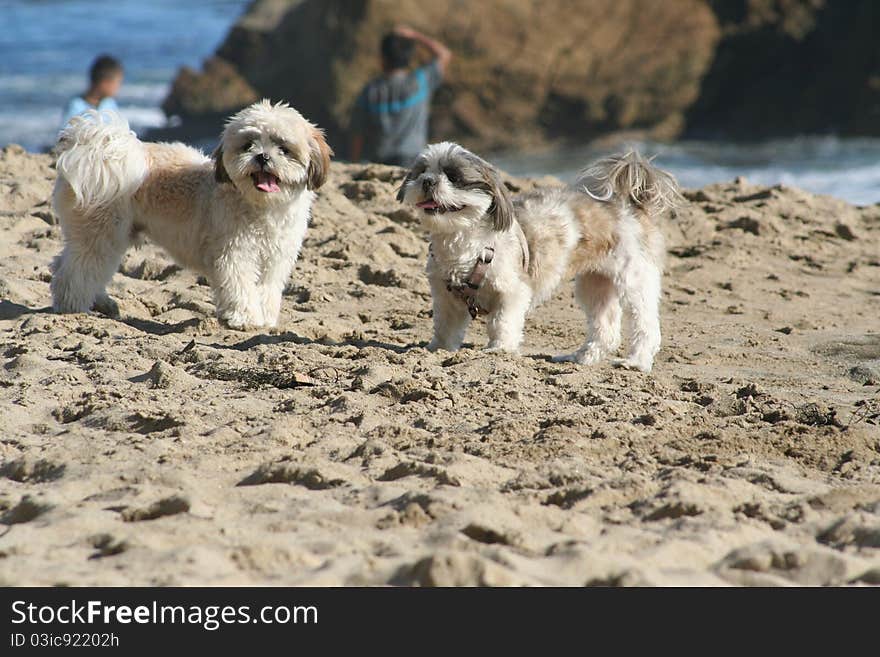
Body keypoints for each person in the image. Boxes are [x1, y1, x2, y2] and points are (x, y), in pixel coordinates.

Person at [349, 25, 451, 166]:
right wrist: (415, 35)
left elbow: (357, 133)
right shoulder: (420, 82)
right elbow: (444, 54)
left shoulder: (370, 91)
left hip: (379, 162)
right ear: (409, 57)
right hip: (413, 162)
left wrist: (354, 164)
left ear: (382, 59)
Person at [61, 55, 124, 128]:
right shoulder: (76, 105)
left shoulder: (110, 103)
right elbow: (65, 135)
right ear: (104, 82)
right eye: (117, 82)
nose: (118, 87)